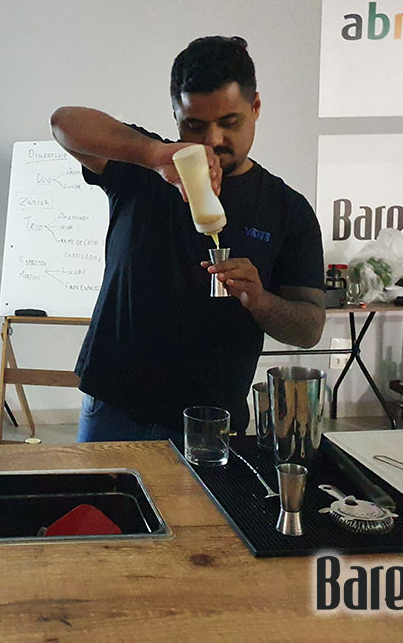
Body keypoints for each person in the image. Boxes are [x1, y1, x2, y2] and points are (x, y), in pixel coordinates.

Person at [50, 36, 324, 442]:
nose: (212, 140)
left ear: (255, 107)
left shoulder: (287, 209)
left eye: (229, 122)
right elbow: (64, 122)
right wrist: (155, 156)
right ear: (175, 114)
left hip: (211, 421)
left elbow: (309, 328)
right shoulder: (146, 167)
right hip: (116, 406)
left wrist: (260, 300)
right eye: (194, 125)